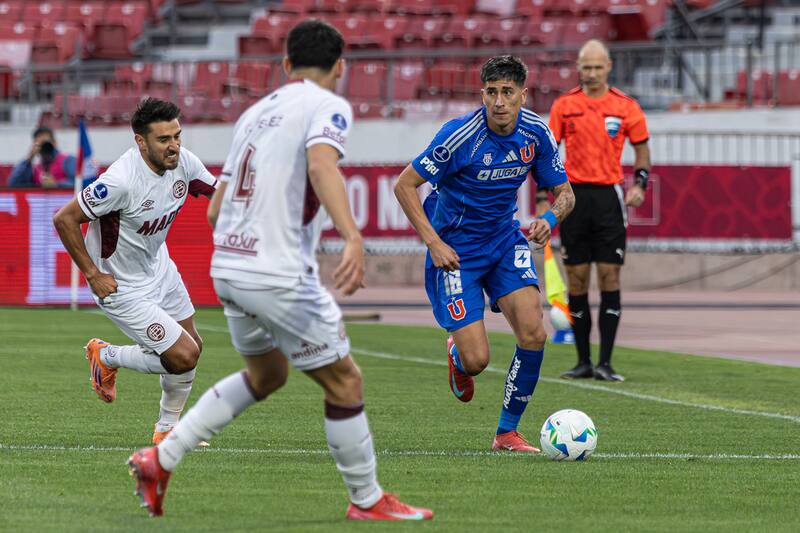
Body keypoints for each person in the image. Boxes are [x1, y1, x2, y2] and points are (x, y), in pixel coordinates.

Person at [126, 20, 433, 521]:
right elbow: (321, 165)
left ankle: (159, 459)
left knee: (266, 375)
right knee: (346, 382)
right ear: (340, 67)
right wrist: (352, 236)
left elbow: (215, 210)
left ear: (287, 64)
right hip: (277, 271)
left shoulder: (254, 114)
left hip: (230, 266)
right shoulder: (327, 105)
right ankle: (367, 499)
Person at [394, 55, 575, 452]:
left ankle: (506, 433)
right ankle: (458, 356)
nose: (499, 101)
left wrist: (548, 218)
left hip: (504, 241)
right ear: (482, 94)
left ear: (523, 95)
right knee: (477, 360)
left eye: (507, 92)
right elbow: (404, 185)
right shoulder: (459, 136)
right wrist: (434, 242)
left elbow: (565, 194)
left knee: (534, 332)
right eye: (491, 92)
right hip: (455, 251)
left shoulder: (536, 133)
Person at [52, 98, 217, 445]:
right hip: (121, 286)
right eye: (163, 139)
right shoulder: (120, 181)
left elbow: (218, 196)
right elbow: (64, 219)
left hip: (160, 268)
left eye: (177, 136)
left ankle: (167, 430)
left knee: (194, 346)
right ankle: (106, 355)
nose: (173, 145)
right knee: (183, 356)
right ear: (141, 141)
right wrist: (92, 274)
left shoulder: (184, 162)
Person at [546, 39, 651, 382]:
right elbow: (548, 153)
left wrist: (640, 184)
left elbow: (642, 149)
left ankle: (605, 362)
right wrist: (546, 196)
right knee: (577, 278)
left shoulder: (625, 106)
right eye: (586, 67)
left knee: (609, 276)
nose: (591, 73)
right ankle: (582, 361)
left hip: (609, 198)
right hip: (573, 198)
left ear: (608, 67)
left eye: (597, 67)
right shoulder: (564, 105)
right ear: (579, 67)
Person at [9, 126, 76, 188]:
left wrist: (56, 185)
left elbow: (78, 183)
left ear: (55, 143)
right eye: (39, 144)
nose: (43, 146)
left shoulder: (68, 160)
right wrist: (29, 158)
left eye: (45, 142)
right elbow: (13, 184)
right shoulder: (35, 168)